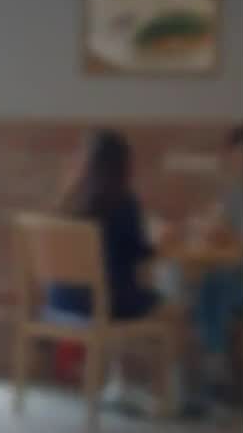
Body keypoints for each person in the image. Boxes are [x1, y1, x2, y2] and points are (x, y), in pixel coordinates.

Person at [47, 129, 162, 321]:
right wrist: (158, 242)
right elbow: (137, 253)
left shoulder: (69, 201)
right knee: (165, 300)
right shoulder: (123, 203)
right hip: (103, 306)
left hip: (58, 304)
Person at [189, 123, 243, 404]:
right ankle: (215, 368)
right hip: (234, 274)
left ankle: (215, 373)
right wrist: (210, 229)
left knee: (217, 289)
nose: (240, 161)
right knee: (208, 286)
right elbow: (221, 230)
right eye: (237, 154)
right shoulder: (233, 194)